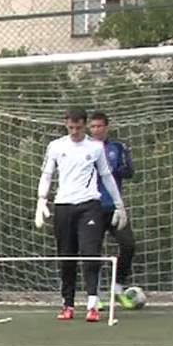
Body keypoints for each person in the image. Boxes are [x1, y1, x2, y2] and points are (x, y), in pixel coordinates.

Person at [34, 108, 128, 322]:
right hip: (64, 205)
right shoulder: (56, 146)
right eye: (70, 127)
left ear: (84, 125)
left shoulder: (95, 147)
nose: (74, 131)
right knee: (67, 255)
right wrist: (41, 200)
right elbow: (47, 174)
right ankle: (67, 304)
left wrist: (119, 204)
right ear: (65, 124)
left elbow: (106, 175)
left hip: (89, 205)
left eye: (78, 127)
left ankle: (92, 304)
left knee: (90, 252)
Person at [90, 111, 139, 308]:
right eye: (92, 126)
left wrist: (112, 168)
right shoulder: (84, 148)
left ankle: (117, 288)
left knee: (128, 245)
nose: (96, 130)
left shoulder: (117, 147)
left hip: (114, 207)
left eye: (99, 126)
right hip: (91, 207)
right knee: (92, 250)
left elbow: (129, 172)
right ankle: (96, 295)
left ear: (106, 127)